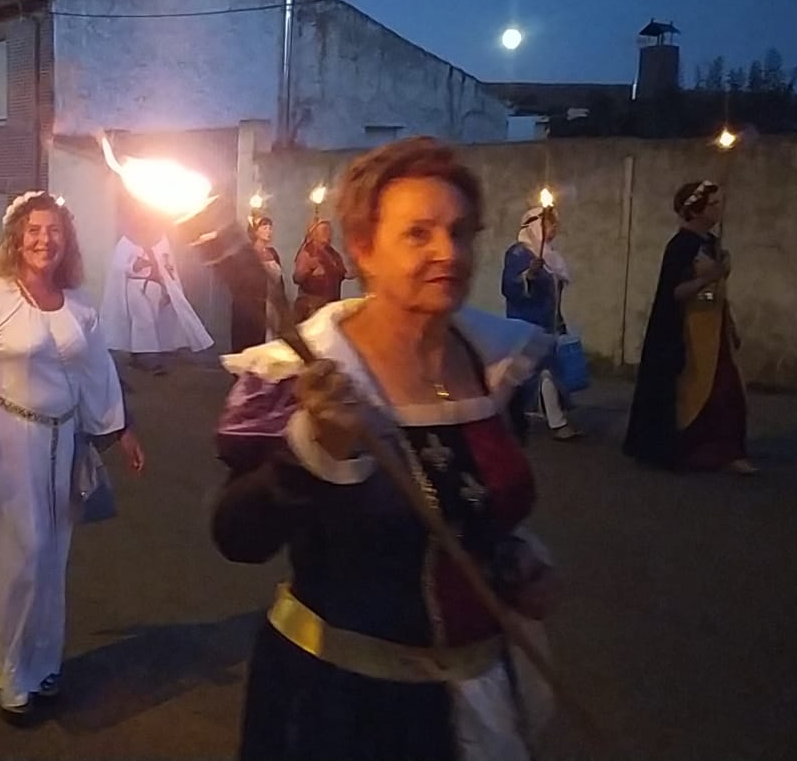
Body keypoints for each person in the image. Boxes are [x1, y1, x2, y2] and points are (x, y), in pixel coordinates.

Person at [212, 137, 559, 760]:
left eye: (459, 232)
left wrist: (515, 562)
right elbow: (238, 537)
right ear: (364, 249)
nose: (447, 253)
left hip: (479, 687)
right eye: (418, 234)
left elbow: (478, 508)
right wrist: (314, 450)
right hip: (340, 707)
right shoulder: (303, 373)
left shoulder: (494, 364)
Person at [0, 190, 146, 718]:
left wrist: (120, 430)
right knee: (19, 556)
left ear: (66, 241)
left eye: (54, 231)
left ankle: (41, 661)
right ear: (15, 237)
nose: (43, 240)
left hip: (63, 444)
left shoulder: (79, 306)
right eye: (33, 230)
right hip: (6, 442)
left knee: (51, 559)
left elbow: (97, 375)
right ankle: (9, 670)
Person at [624, 181, 757, 475]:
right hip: (690, 332)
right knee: (698, 392)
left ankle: (727, 451)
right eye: (712, 205)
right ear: (695, 211)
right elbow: (675, 292)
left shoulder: (711, 244)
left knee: (728, 390)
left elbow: (721, 291)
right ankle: (693, 450)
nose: (719, 209)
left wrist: (729, 323)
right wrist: (709, 278)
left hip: (715, 330)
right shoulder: (681, 247)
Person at [502, 206, 582, 441]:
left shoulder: (550, 256)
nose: (555, 229)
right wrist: (529, 275)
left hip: (548, 322)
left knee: (538, 372)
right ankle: (557, 423)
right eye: (550, 224)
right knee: (544, 371)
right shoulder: (518, 254)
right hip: (526, 323)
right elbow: (509, 287)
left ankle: (515, 415)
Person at [99, 218, 213, 374]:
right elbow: (118, 266)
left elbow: (168, 266)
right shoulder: (127, 242)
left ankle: (142, 354)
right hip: (136, 286)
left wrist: (168, 289)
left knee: (153, 321)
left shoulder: (161, 241)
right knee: (144, 321)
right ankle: (148, 358)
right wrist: (134, 265)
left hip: (156, 287)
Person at [230, 216, 286, 352]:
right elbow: (241, 281)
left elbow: (279, 281)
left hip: (270, 303)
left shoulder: (272, 253)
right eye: (265, 228)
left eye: (270, 228)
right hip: (253, 304)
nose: (269, 231)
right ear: (255, 231)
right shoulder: (246, 254)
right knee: (252, 341)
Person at [292, 217, 352, 321]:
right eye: (324, 230)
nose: (328, 233)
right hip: (312, 307)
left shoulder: (333, 254)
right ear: (314, 233)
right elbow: (297, 278)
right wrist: (309, 268)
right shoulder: (307, 253)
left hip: (331, 305)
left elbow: (345, 273)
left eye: (329, 230)